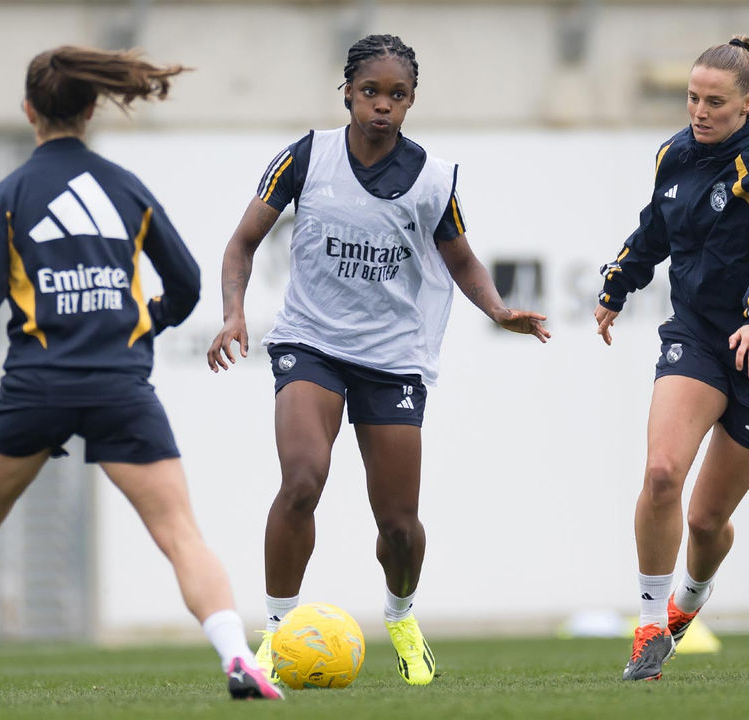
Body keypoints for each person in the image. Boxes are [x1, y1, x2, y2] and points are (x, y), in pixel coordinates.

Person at [0, 45, 282, 707]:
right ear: (90, 109)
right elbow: (188, 282)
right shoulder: (124, 188)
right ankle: (239, 659)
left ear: (29, 111)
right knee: (181, 533)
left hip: (36, 387)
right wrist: (151, 320)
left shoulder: (9, 195)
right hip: (121, 386)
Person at [207, 34, 550, 687]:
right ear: (347, 92)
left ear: (412, 100)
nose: (382, 106)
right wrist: (233, 312)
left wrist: (498, 309)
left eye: (397, 95)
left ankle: (400, 616)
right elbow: (243, 242)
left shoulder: (431, 178)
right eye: (371, 92)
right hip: (311, 343)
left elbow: (462, 260)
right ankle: (276, 636)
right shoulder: (306, 157)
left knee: (398, 526)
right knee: (303, 480)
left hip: (393, 357)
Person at [594, 35, 749, 682]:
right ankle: (647, 627)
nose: (700, 112)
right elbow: (656, 230)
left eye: (716, 102)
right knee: (664, 472)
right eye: (693, 98)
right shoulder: (677, 152)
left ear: (748, 103)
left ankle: (689, 600)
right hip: (699, 331)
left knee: (706, 518)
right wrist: (618, 286)